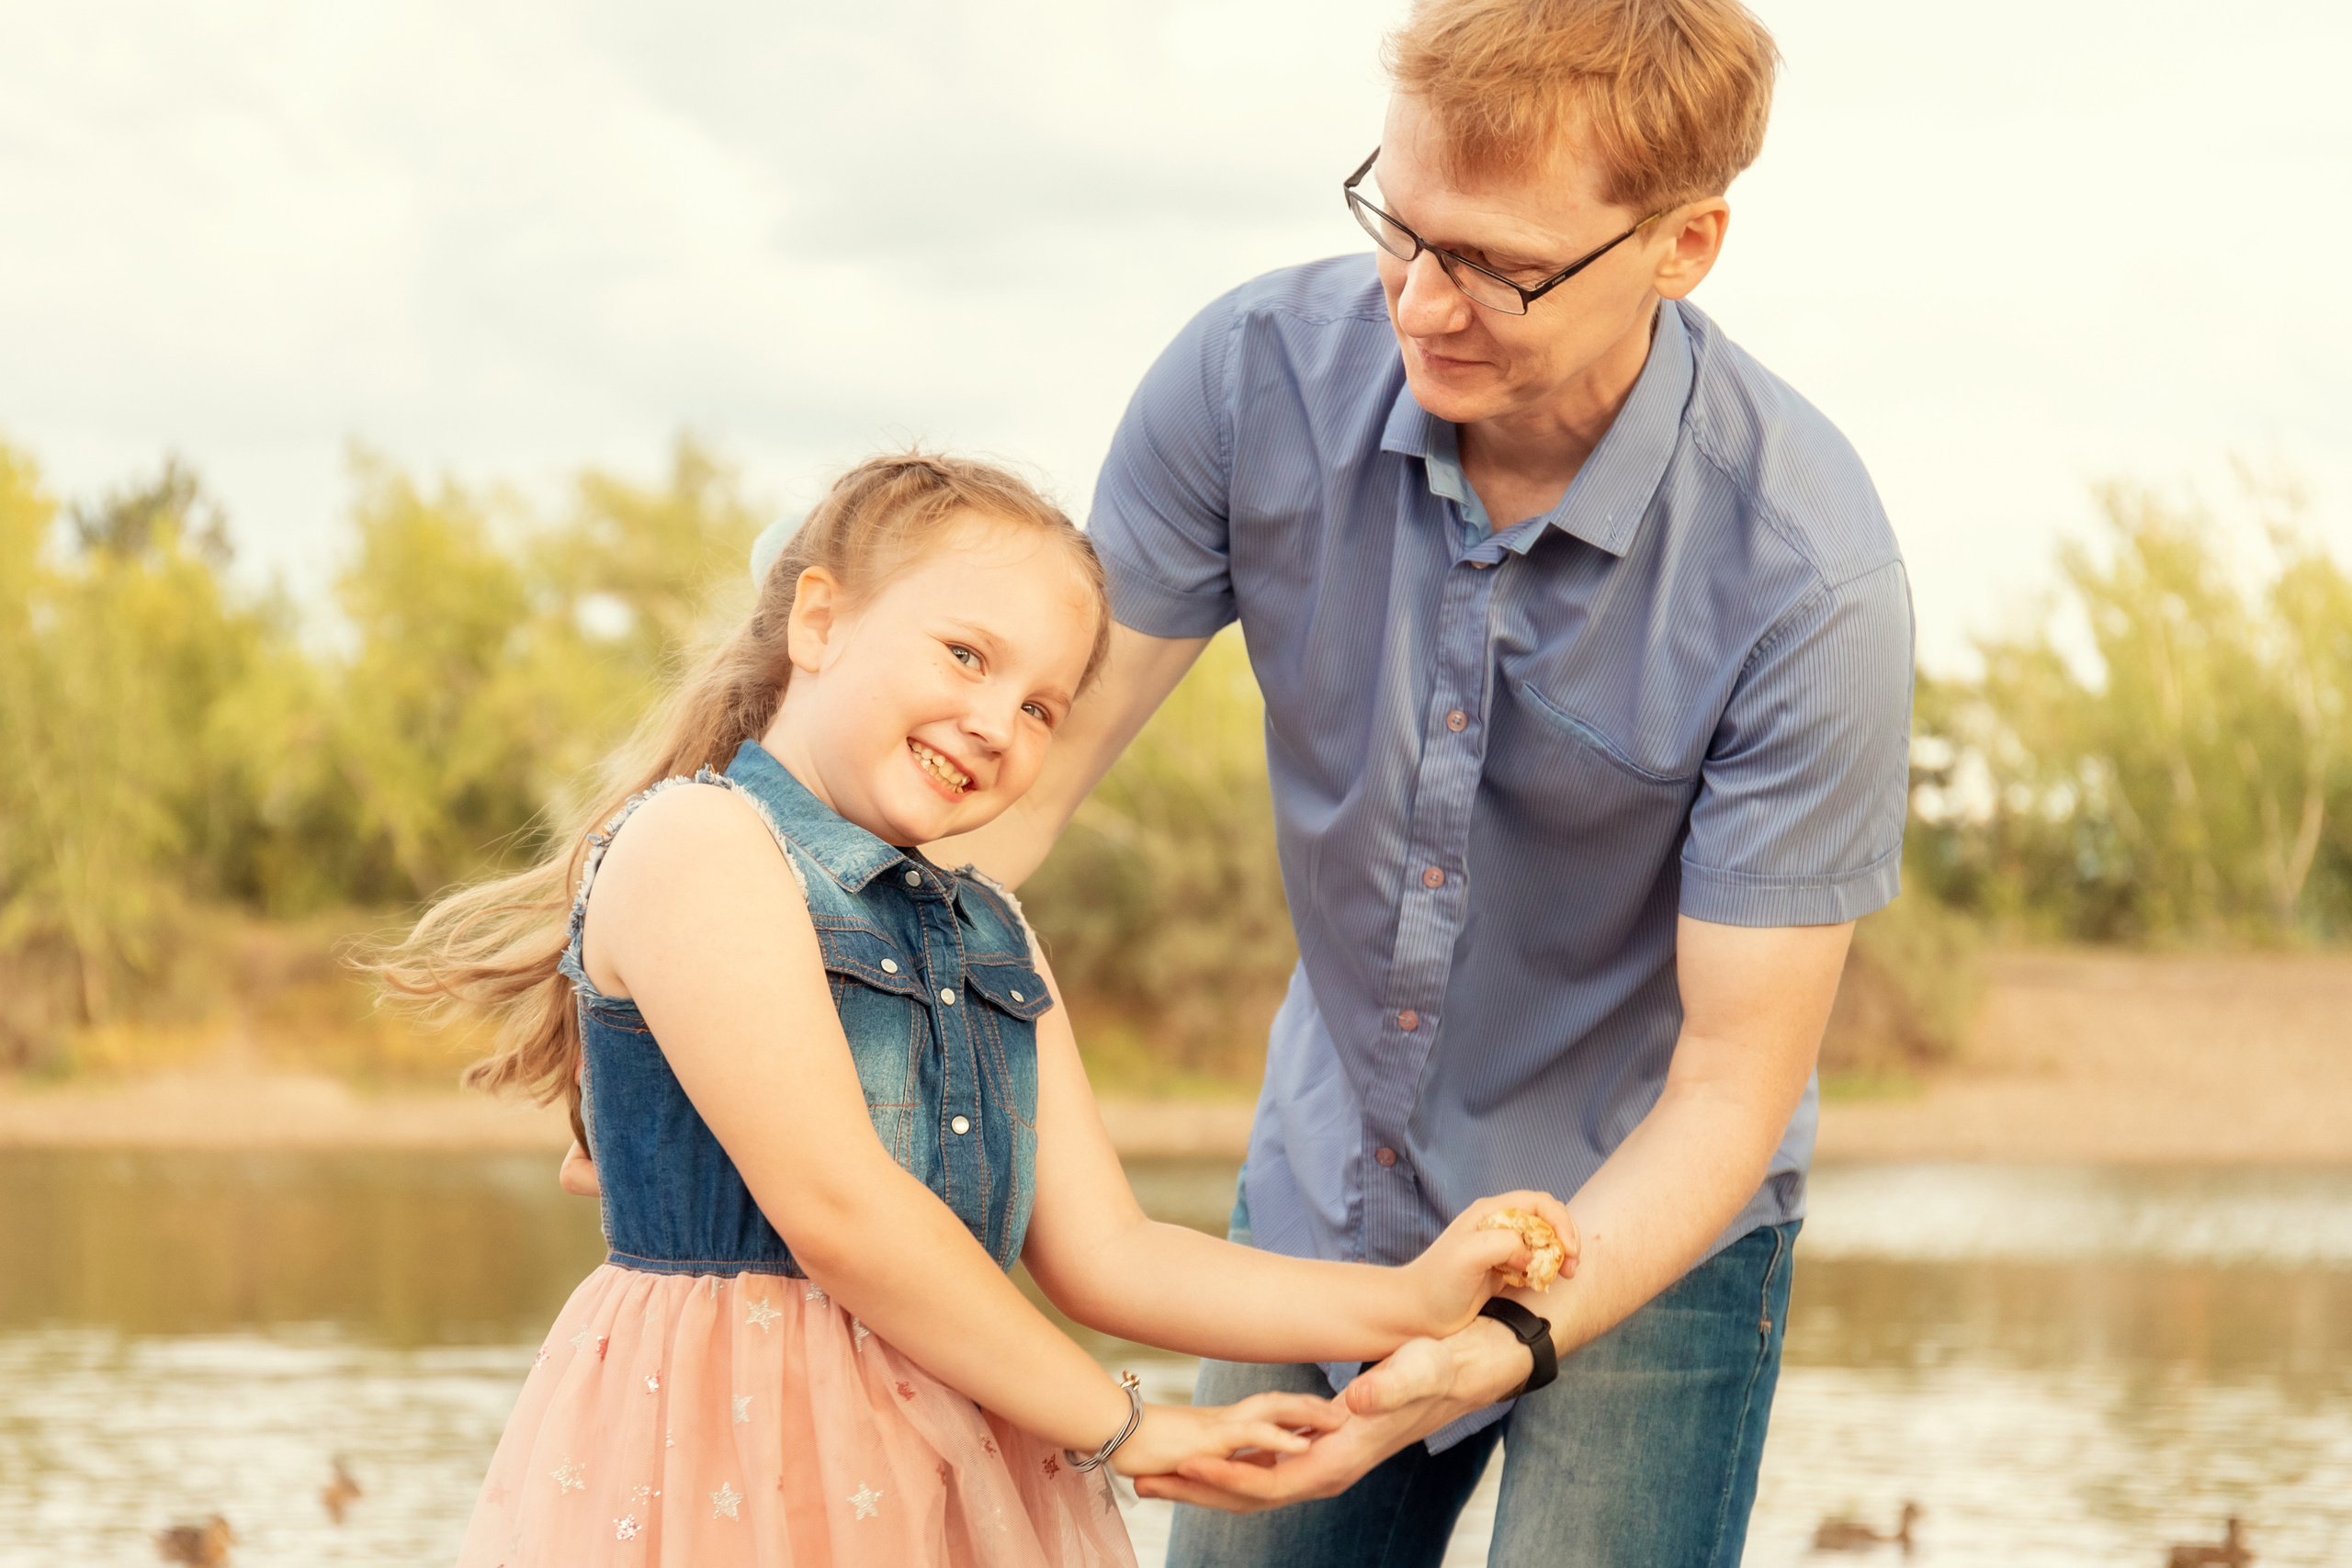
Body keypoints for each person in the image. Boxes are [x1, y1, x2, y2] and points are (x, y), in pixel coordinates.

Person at [935, 1, 1916, 1562]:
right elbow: (1002, 804)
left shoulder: (1810, 579)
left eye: (1502, 267)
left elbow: (1735, 1081)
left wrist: (1523, 1331)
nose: (1422, 299)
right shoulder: (1250, 380)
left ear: (1686, 244)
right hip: (1327, 1188)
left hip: (1649, 1232)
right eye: (1400, 224)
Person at [378, 452, 1572, 1567]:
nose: (999, 723)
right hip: (730, 1453)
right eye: (965, 655)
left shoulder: (986, 923)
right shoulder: (702, 847)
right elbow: (843, 1213)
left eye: (1046, 706)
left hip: (965, 1453)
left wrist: (1406, 1298)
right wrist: (1123, 1425)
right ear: (819, 620)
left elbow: (1110, 1254)